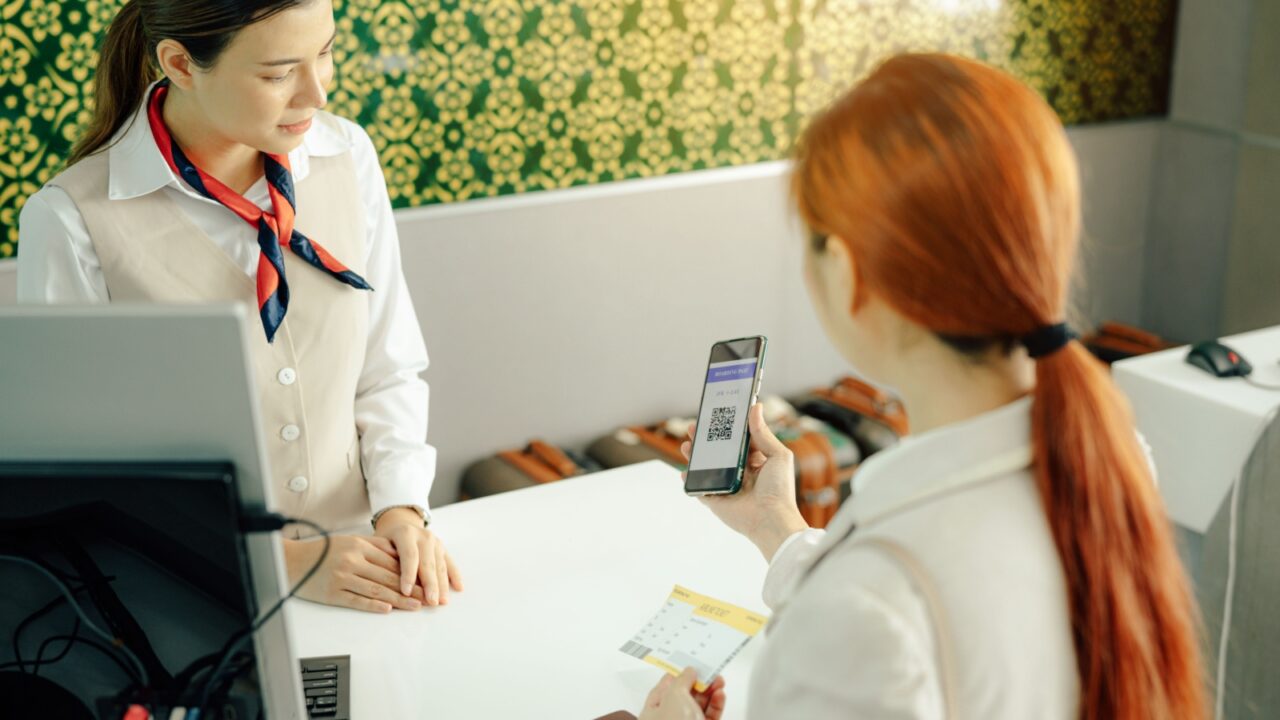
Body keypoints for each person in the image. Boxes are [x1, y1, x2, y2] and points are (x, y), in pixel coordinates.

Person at [640, 53, 1207, 719]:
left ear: (850, 275)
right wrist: (779, 530)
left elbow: (874, 626)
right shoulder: (1113, 460)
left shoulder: (865, 609)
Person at [16, 0, 463, 614]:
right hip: (191, 594)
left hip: (366, 572)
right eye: (279, 73)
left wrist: (404, 509)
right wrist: (279, 562)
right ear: (180, 63)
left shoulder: (347, 157)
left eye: (326, 53)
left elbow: (387, 368)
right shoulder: (70, 220)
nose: (317, 93)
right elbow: (83, 471)